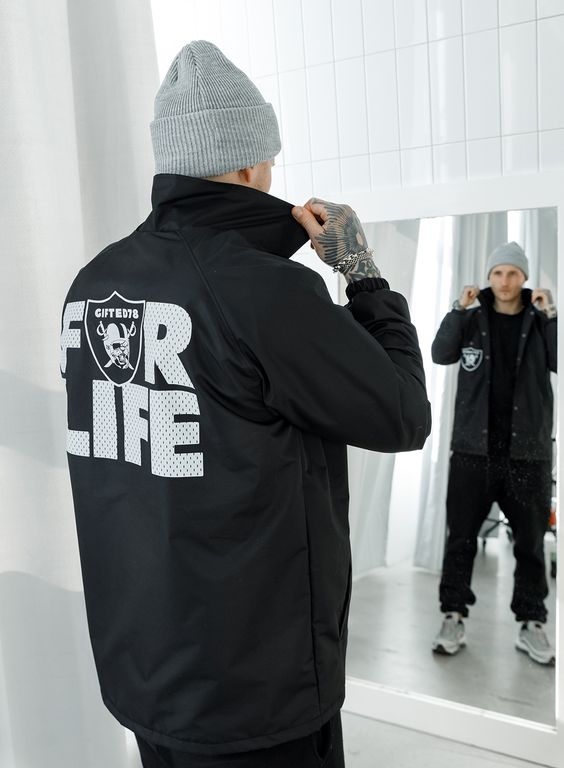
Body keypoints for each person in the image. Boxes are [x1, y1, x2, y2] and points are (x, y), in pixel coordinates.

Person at [60, 40, 431, 767]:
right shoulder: (260, 287)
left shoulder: (94, 283)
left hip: (147, 672)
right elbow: (402, 415)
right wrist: (363, 275)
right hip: (254, 691)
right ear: (247, 165)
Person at [431, 241, 557, 665]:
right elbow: (440, 353)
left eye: (513, 273)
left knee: (530, 545)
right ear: (488, 277)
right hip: (473, 451)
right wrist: (457, 308)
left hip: (528, 454)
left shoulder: (540, 322)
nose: (505, 281)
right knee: (461, 539)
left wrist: (552, 316)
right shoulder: (470, 320)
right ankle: (452, 615)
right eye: (498, 273)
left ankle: (532, 623)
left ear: (524, 278)